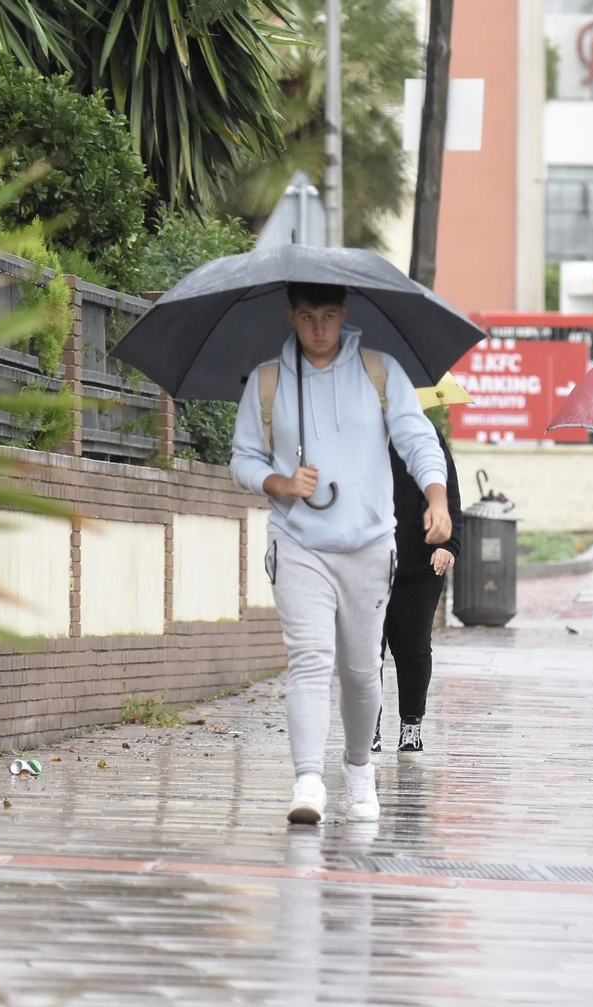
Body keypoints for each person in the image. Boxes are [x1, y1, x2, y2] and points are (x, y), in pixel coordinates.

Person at [232, 282, 451, 826]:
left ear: (345, 314)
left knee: (360, 671)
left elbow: (417, 439)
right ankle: (307, 779)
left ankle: (358, 771)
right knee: (310, 659)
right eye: (307, 316)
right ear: (292, 317)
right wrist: (278, 482)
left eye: (329, 315)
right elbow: (241, 458)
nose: (319, 327)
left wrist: (437, 496)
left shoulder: (380, 372)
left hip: (369, 545)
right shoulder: (268, 380)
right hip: (298, 543)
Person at [371, 423, 463, 756]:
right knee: (367, 651)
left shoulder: (424, 434)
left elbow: (449, 494)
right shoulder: (354, 432)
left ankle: (412, 726)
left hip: (421, 560)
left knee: (413, 648)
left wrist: (450, 545)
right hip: (367, 560)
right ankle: (370, 727)